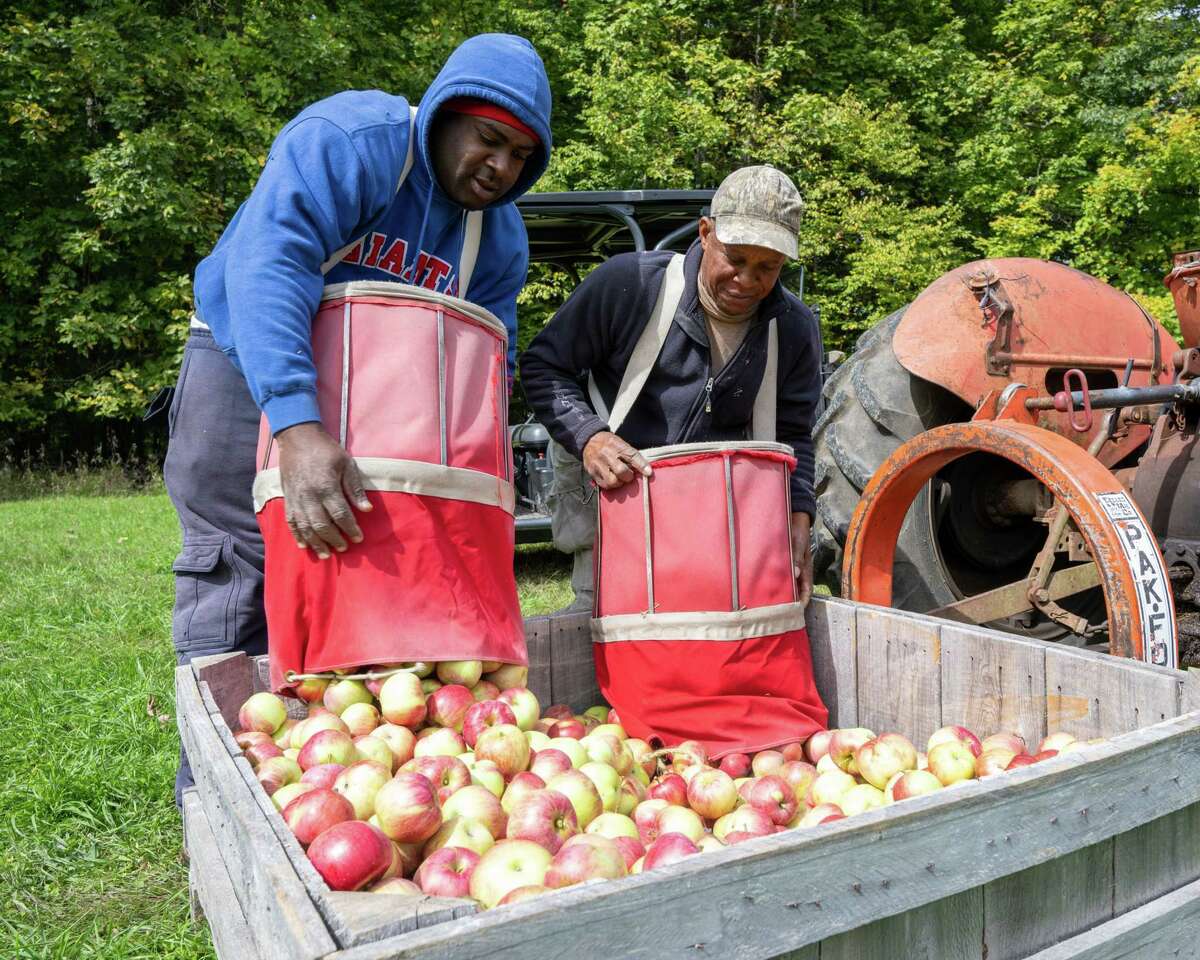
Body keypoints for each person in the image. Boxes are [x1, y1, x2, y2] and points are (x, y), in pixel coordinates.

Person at [164, 33, 552, 803]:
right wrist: (300, 426)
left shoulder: (498, 237)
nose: (501, 166)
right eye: (489, 139)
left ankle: (324, 789)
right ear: (443, 116)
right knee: (236, 577)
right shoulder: (355, 142)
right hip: (250, 373)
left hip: (383, 414)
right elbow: (268, 264)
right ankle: (213, 802)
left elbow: (485, 362)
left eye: (520, 155)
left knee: (348, 595)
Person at [519, 165, 820, 613]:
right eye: (735, 259)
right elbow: (543, 366)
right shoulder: (630, 285)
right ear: (705, 233)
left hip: (719, 513)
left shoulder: (793, 329)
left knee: (706, 636)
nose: (747, 280)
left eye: (768, 267)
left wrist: (799, 515)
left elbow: (794, 434)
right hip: (617, 494)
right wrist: (589, 436)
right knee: (605, 625)